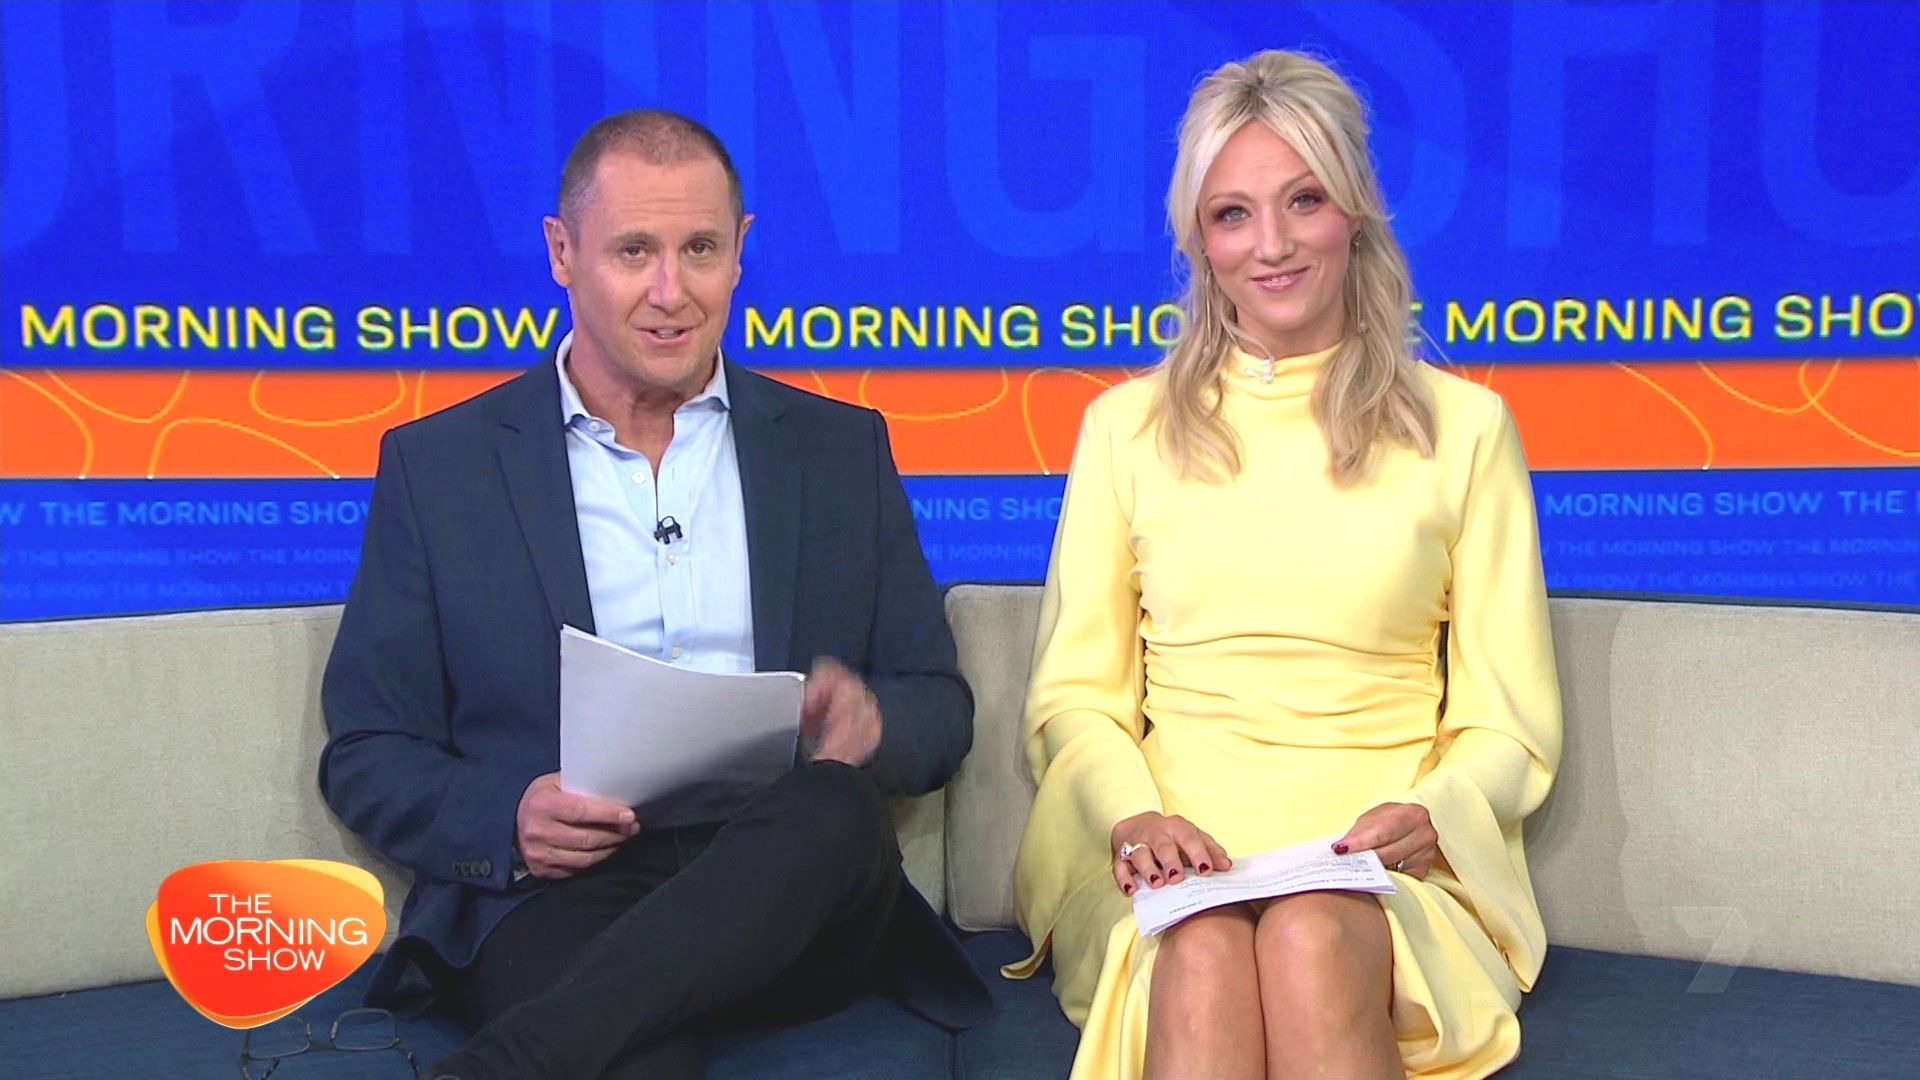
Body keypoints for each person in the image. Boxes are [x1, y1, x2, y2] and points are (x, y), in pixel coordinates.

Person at [319, 109, 987, 1080]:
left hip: (788, 883)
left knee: (835, 809)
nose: (671, 293)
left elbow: (941, 704)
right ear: (562, 253)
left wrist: (874, 724)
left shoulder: (839, 452)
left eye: (700, 250)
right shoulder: (442, 469)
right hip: (560, 897)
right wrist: (510, 815)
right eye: (634, 251)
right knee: (638, 1050)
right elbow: (369, 750)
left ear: (741, 251)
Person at [1005, 51, 1563, 1080]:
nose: (1271, 244)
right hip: (1170, 854)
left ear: (1353, 210)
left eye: (1303, 200)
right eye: (1233, 214)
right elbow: (1074, 700)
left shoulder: (1468, 429)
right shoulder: (1124, 430)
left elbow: (1509, 721)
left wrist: (1433, 815)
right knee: (1208, 953)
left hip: (1380, 860)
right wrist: (1135, 817)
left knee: (1310, 937)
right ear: (1199, 240)